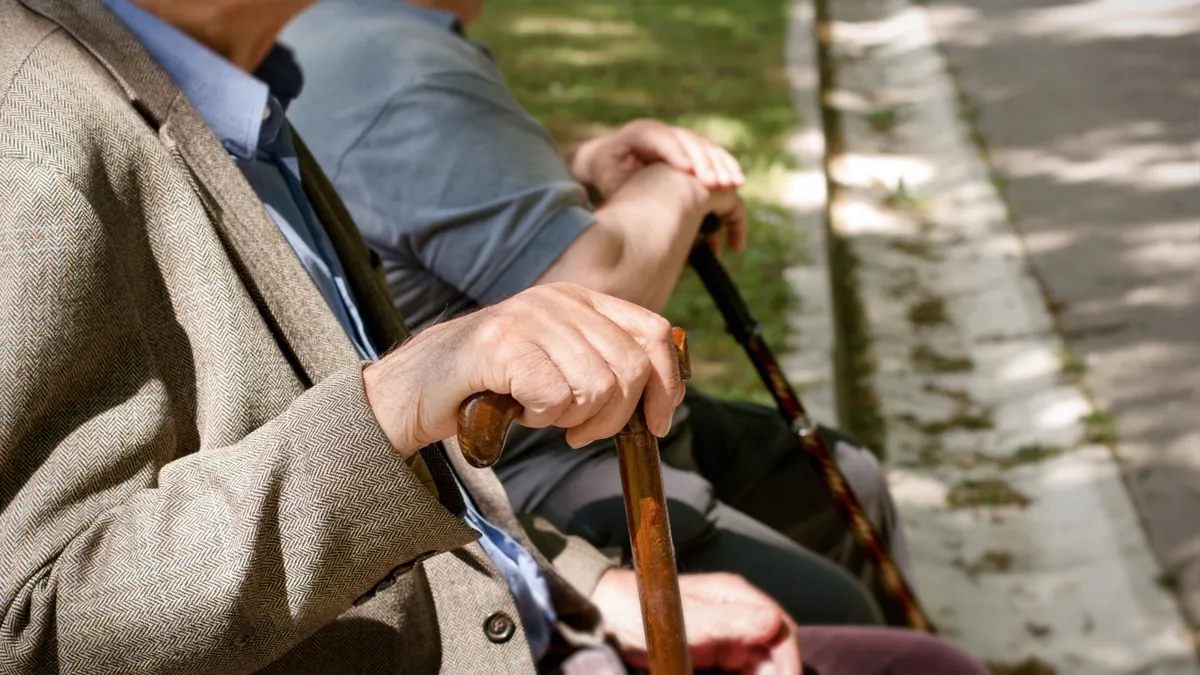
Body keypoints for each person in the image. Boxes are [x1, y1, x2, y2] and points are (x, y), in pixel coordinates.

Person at [0, 0, 992, 673]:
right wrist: (399, 398)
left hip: (512, 592)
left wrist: (594, 585)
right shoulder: (36, 125)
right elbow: (35, 630)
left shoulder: (246, 84)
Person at [283, 0, 913, 626]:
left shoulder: (333, 32)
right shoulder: (404, 73)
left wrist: (574, 165)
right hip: (509, 468)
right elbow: (592, 293)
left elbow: (422, 179)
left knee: (845, 476)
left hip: (532, 445)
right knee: (844, 611)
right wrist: (680, 184)